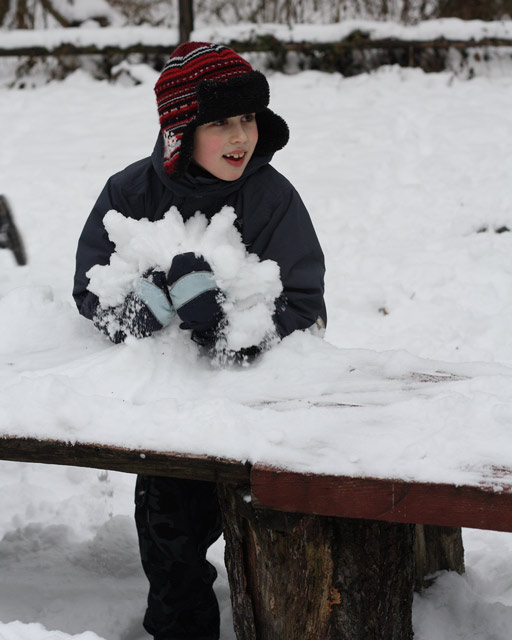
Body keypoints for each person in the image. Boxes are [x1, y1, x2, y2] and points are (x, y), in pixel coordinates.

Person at [73, 42, 326, 640]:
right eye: (219, 123)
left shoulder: (272, 199)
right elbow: (91, 286)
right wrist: (138, 312)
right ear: (180, 133)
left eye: (247, 118)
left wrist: (229, 332)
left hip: (265, 407)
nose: (240, 136)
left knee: (278, 522)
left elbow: (302, 302)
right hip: (173, 406)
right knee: (168, 528)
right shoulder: (130, 194)